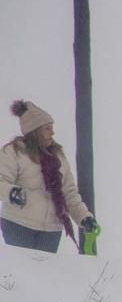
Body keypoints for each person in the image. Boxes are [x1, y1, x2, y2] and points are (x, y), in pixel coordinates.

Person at [0, 100, 98, 253]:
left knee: (43, 275)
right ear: (35, 131)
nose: (52, 133)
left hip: (51, 230)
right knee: (24, 273)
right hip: (19, 224)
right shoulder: (14, 152)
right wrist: (11, 193)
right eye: (47, 129)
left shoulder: (58, 156)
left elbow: (69, 193)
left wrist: (84, 217)